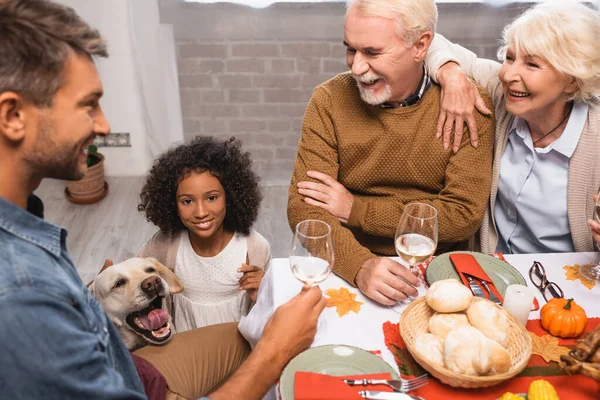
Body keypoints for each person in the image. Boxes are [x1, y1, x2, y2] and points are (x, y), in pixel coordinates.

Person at [0, 1, 326, 399]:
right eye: (88, 105)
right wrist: (273, 354)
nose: (104, 125)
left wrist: (90, 297)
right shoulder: (20, 291)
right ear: (13, 115)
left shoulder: (25, 234)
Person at [287, 0, 495, 306]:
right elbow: (305, 209)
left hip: (438, 276)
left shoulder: (466, 106)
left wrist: (355, 209)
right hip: (347, 266)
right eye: (350, 49)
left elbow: (462, 215)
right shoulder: (328, 101)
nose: (356, 66)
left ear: (421, 45)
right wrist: (360, 266)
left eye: (372, 52)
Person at [426, 0, 600, 254]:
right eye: (510, 58)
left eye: (532, 64)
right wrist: (452, 75)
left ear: (572, 80)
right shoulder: (500, 92)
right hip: (491, 274)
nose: (508, 75)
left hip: (564, 282)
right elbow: (428, 41)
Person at [137, 136, 270, 332]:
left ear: (230, 196)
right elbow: (134, 283)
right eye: (187, 201)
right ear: (172, 204)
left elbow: (271, 313)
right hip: (185, 349)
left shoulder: (255, 247)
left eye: (211, 198)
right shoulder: (163, 246)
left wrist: (264, 290)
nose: (201, 212)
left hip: (237, 349)